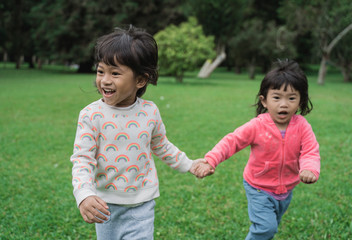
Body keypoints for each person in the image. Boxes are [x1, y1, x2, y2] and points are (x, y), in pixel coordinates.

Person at [70, 25, 208, 239]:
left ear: (140, 80)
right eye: (100, 71)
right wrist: (84, 194)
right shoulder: (91, 115)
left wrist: (189, 164)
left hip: (142, 206)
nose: (105, 80)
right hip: (105, 206)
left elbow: (162, 145)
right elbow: (82, 159)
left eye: (115, 73)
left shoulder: (149, 111)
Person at [194, 59, 320, 239]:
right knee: (265, 228)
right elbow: (232, 142)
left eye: (291, 98)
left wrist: (309, 168)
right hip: (258, 187)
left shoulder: (302, 126)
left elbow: (310, 151)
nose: (283, 104)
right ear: (265, 100)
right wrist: (211, 159)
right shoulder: (257, 126)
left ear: (300, 102)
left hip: (286, 189)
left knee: (270, 226)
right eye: (276, 97)